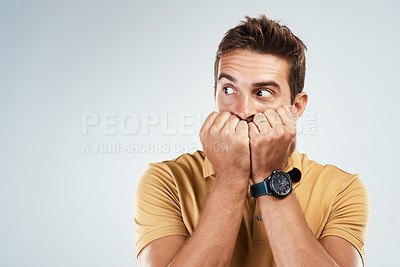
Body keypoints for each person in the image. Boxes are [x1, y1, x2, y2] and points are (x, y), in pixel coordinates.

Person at [134, 15, 370, 266]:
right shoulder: (166, 180)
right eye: (229, 90)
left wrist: (270, 174)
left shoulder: (342, 190)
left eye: (263, 92)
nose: (242, 110)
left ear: (297, 107)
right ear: (215, 94)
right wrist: (230, 177)